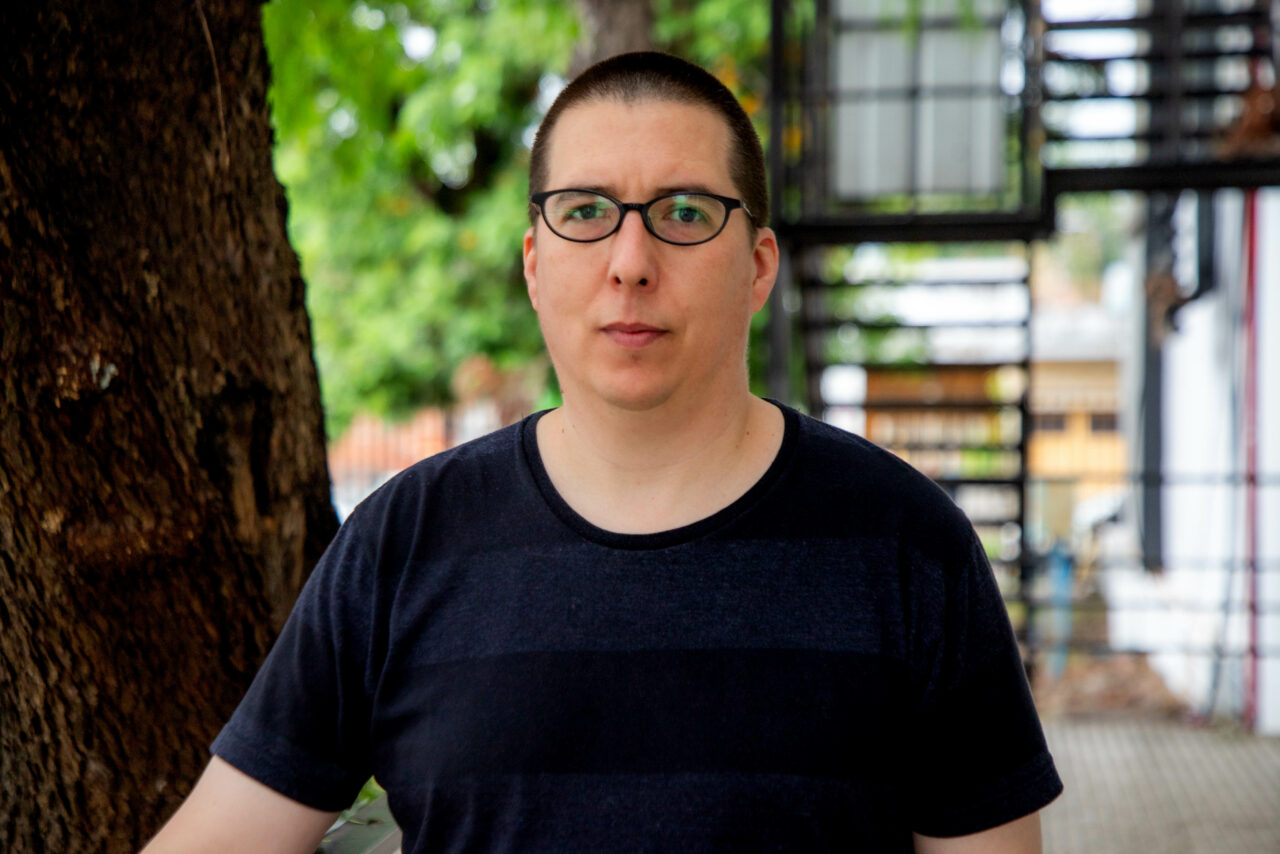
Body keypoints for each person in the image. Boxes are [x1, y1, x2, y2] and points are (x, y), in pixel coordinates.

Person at [143, 51, 1062, 853]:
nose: (630, 260)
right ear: (534, 263)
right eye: (585, 210)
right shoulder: (404, 541)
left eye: (685, 211)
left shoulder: (910, 548)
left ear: (758, 267)